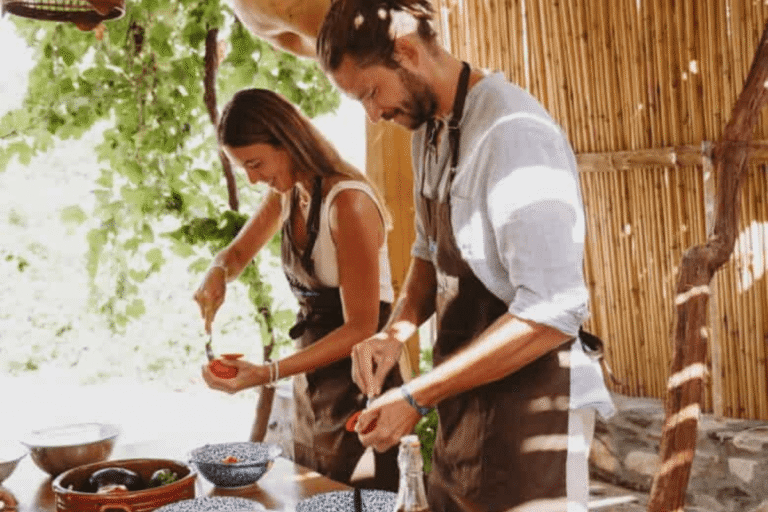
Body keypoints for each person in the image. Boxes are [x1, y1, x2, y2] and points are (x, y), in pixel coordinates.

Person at [316, 1, 616, 510]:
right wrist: (396, 332)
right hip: (463, 404)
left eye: (371, 92)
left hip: (532, 409)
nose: (374, 114)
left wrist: (416, 396)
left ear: (406, 51)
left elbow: (552, 311)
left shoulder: (512, 132)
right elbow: (428, 254)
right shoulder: (429, 130)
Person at [193, 88, 401, 490]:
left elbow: (362, 327)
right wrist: (216, 271)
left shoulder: (349, 204)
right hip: (313, 378)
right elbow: (235, 256)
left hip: (364, 383)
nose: (254, 179)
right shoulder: (288, 194)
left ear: (287, 142)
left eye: (256, 164)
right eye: (244, 169)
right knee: (311, 491)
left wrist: (266, 373)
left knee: (355, 499)